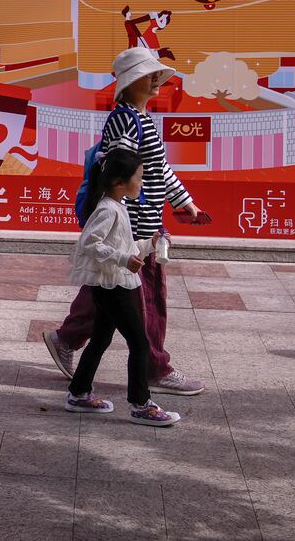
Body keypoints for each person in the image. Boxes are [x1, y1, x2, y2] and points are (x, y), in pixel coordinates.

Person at [43, 46, 208, 397]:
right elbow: (119, 168)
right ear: (130, 82)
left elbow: (156, 171)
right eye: (148, 75)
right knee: (144, 297)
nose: (155, 80)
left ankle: (67, 337)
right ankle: (155, 368)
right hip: (132, 229)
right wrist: (123, 227)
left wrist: (185, 202)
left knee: (109, 290)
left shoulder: (140, 118)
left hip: (142, 226)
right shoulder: (124, 119)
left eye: (155, 75)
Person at [64, 148, 182, 427]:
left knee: (101, 339)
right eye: (138, 179)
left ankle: (79, 393)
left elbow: (124, 247)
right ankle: (140, 404)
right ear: (119, 182)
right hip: (114, 285)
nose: (141, 184)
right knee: (140, 344)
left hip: (114, 283)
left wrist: (151, 244)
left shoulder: (117, 206)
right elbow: (90, 244)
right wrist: (123, 259)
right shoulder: (107, 209)